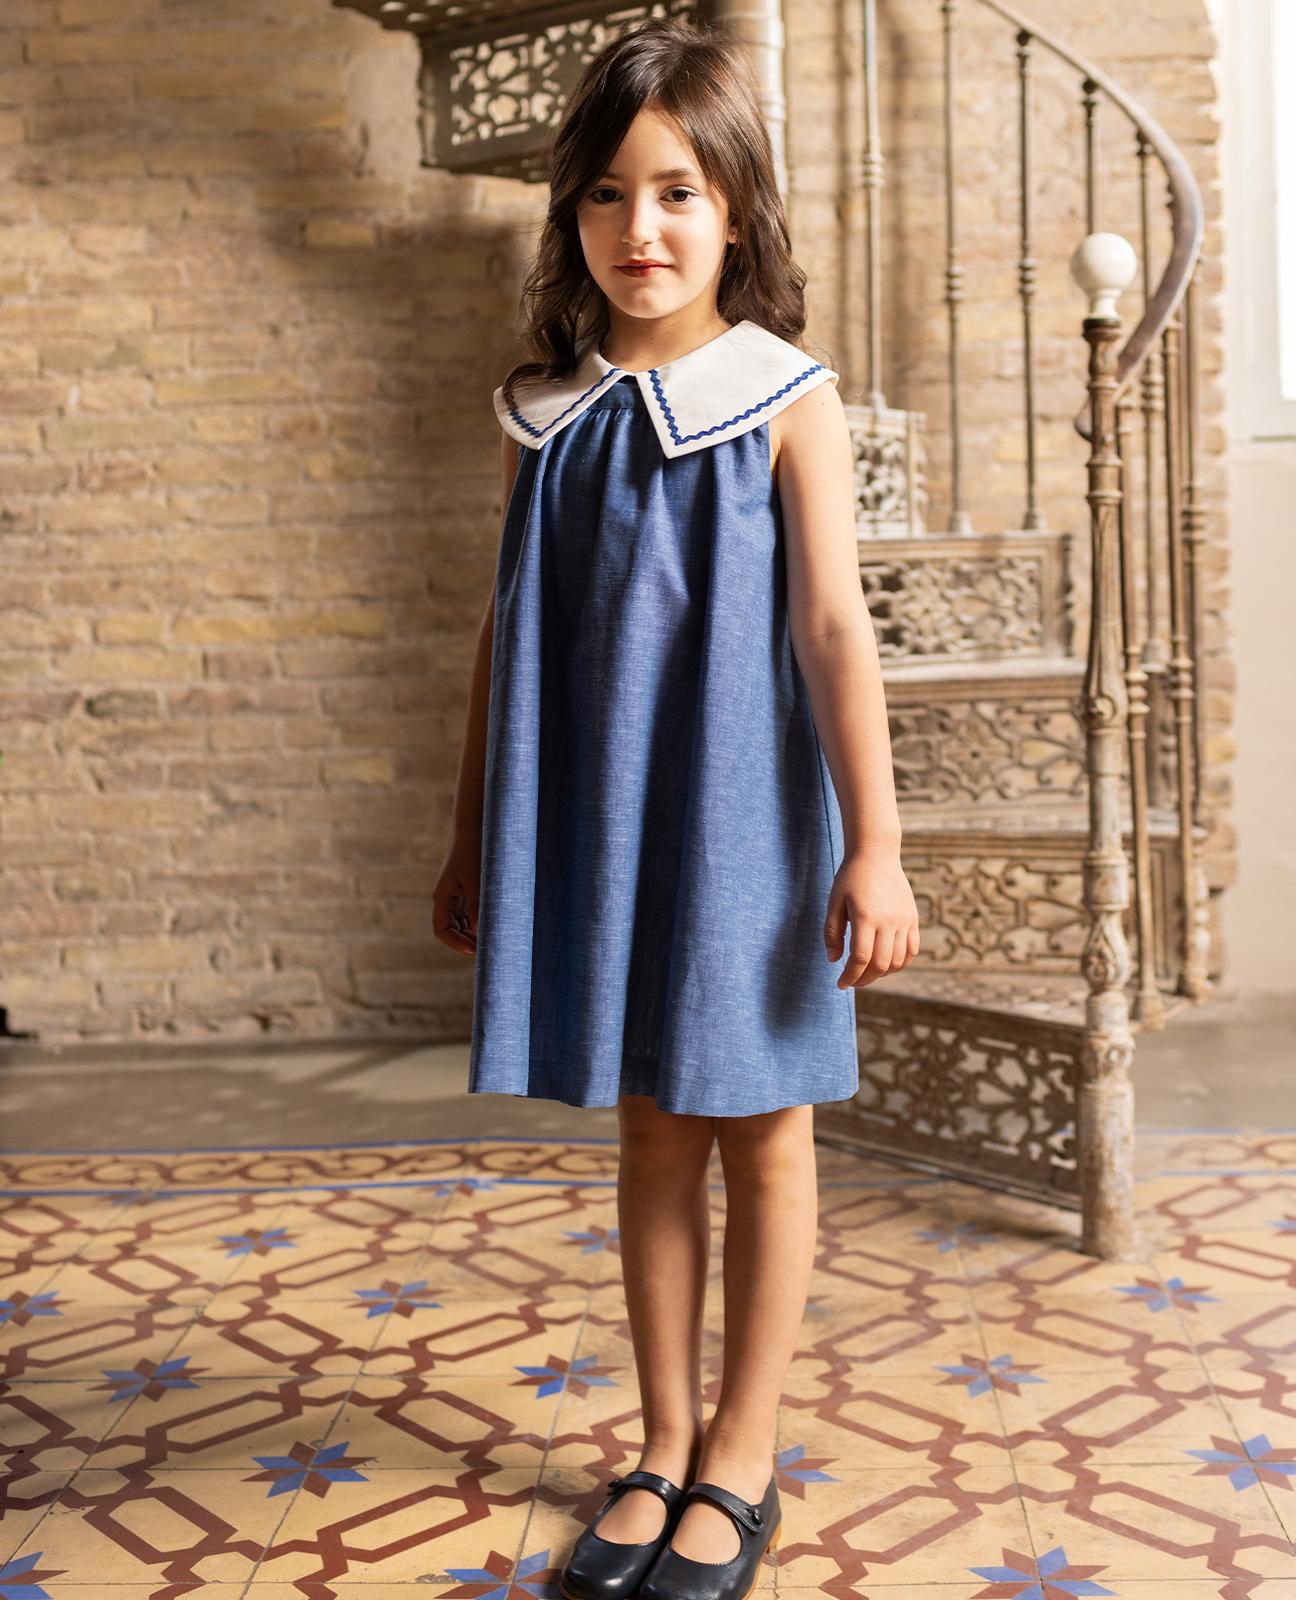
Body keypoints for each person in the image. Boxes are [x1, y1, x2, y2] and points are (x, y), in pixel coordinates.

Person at [434, 17, 920, 1600]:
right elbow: (507, 636)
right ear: (570, 213)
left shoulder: (784, 398)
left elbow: (834, 628)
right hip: (603, 826)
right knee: (651, 1124)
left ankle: (743, 1459)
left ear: (735, 214)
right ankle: (660, 1443)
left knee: (763, 1132)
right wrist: (470, 834)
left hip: (748, 826)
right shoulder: (544, 413)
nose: (638, 228)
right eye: (606, 194)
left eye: (676, 193)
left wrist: (877, 846)